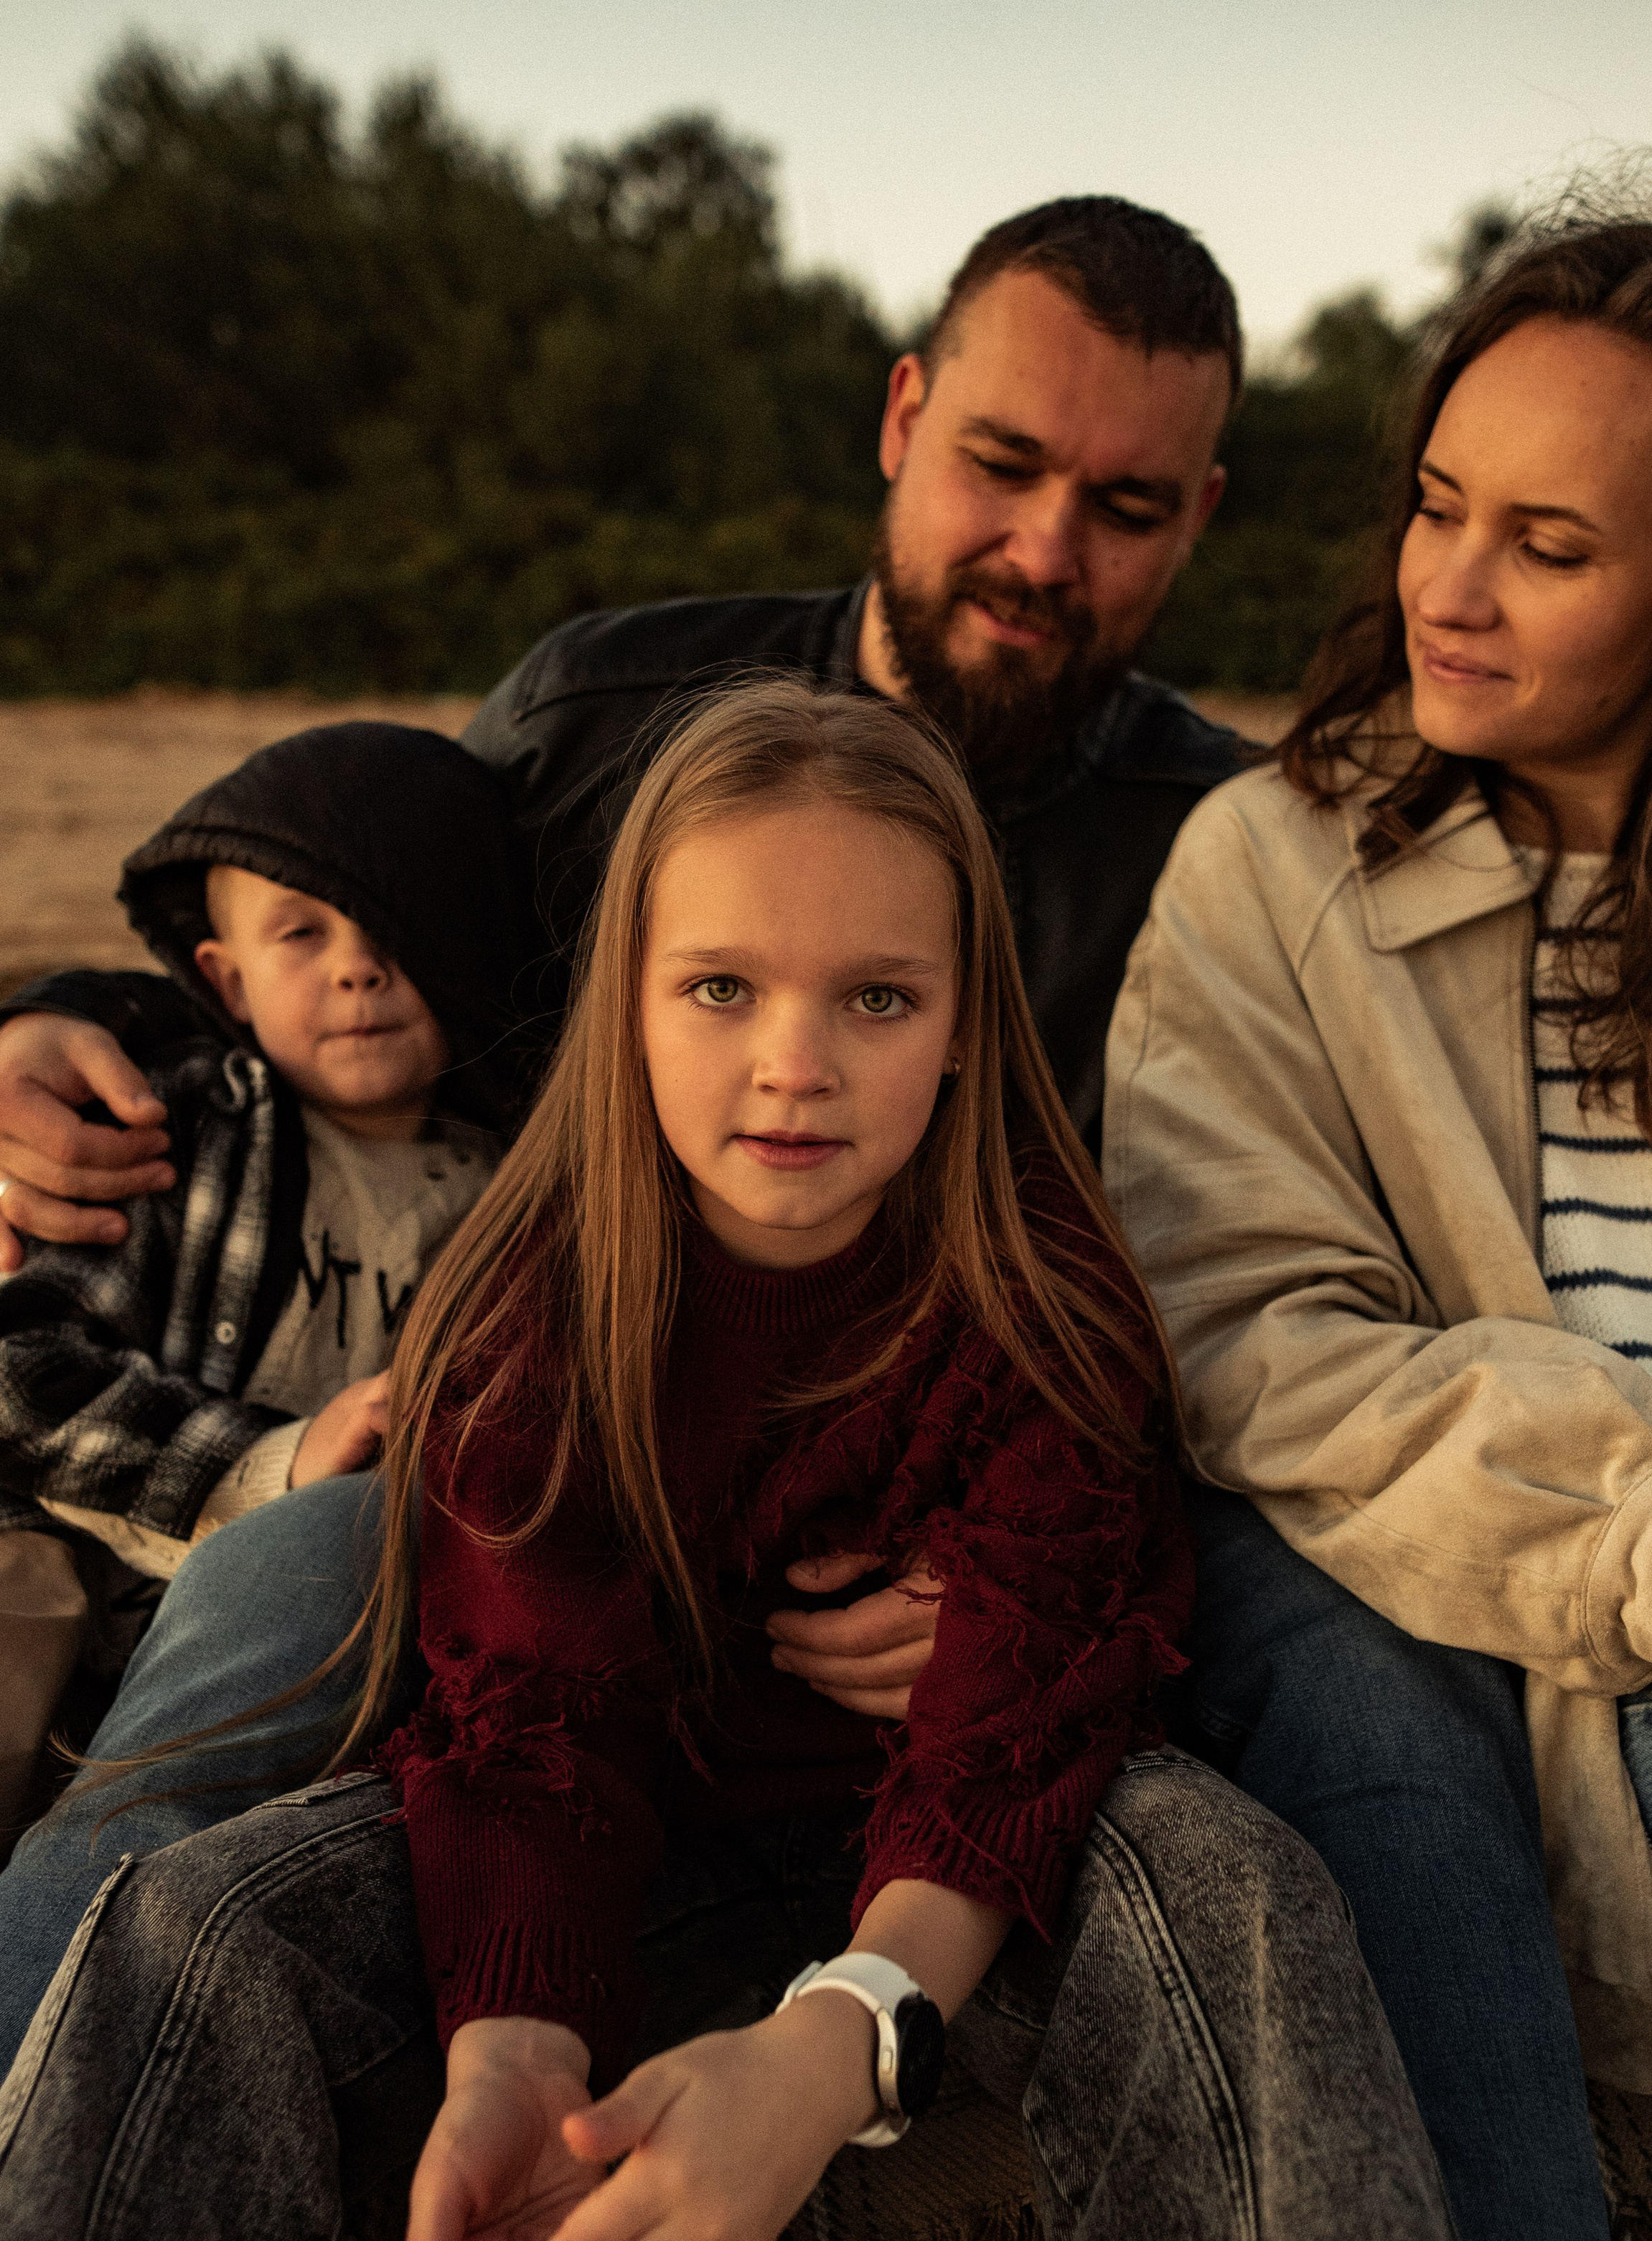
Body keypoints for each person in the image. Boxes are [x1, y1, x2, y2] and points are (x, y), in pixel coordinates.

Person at [0, 680, 1629, 2241]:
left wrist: (841, 2031)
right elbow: (526, 1724)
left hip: (962, 1865)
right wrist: (516, 2034)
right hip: (628, 1827)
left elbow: (1030, 1703)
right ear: (626, 1007)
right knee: (188, 1920)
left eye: (876, 996)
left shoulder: (1041, 1279)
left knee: (1233, 1886)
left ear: (965, 1019)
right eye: (721, 987)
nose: (793, 1063)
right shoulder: (539, 1290)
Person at [0, 197, 1257, 2047]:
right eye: (1001, 462)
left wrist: (1004, 1584)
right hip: (563, 1453)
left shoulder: (1218, 846)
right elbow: (334, 923)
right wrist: (55, 1017)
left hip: (966, 1501)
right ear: (903, 416)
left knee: (1313, 1660)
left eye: (1127, 508)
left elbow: (1242, 1249)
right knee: (294, 1572)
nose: (1044, 546)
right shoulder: (606, 710)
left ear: (1199, 518)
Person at [1103, 194, 1652, 2241]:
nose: (1453, 581)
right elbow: (1259, 1345)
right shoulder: (1277, 875)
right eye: (1438, 501)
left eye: (1549, 538)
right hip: (1572, 1664)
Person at [0, 724, 520, 1833]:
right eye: (301, 932)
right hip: (83, 1551)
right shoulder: (173, 1127)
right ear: (224, 983)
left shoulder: (523, 1179)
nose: (357, 964)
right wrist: (269, 1463)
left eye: (396, 924)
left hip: (315, 1628)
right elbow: (18, 1373)